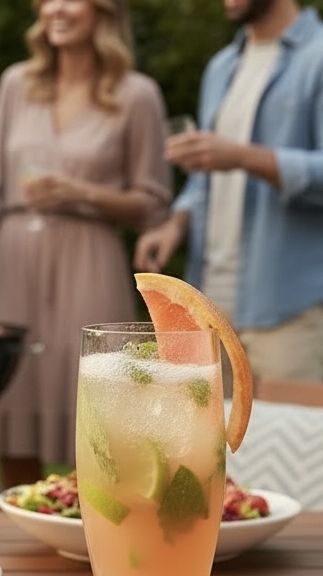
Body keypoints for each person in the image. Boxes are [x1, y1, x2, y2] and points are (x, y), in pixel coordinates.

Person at [0, 0, 171, 488]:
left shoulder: (137, 95)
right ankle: (23, 527)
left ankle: (95, 541)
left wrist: (80, 193)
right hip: (14, 262)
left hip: (89, 259)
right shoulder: (17, 83)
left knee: (98, 409)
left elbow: (152, 202)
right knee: (16, 404)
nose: (55, 8)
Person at [135, 0, 323, 386]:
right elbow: (205, 180)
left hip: (290, 305)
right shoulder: (221, 67)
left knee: (289, 443)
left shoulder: (317, 56)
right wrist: (177, 222)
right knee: (207, 442)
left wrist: (241, 156)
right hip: (209, 298)